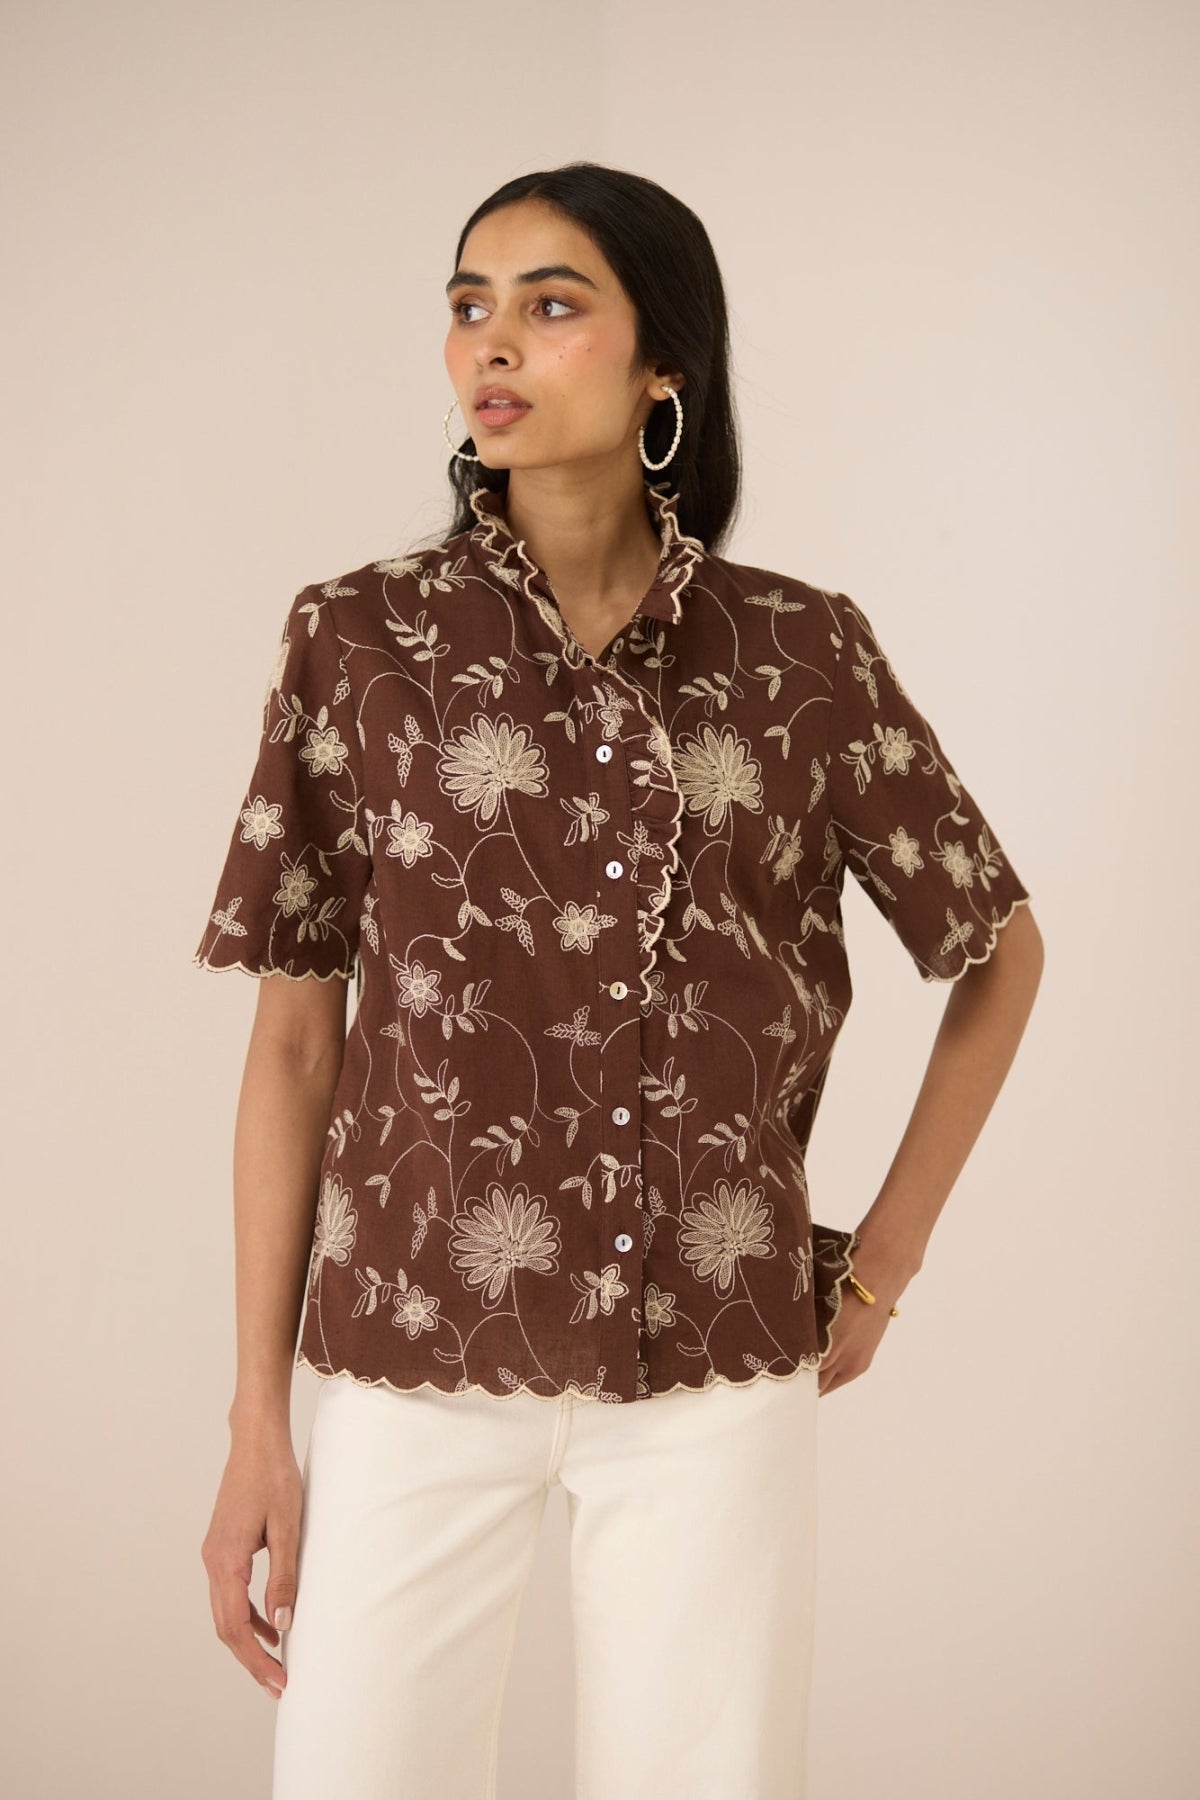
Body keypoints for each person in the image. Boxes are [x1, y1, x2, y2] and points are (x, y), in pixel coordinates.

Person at [196, 161, 1043, 1799]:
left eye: (551, 303)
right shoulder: (356, 645)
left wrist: (883, 1260)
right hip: (408, 1349)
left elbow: (996, 947)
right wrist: (254, 1422)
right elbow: (296, 1040)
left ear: (667, 366)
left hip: (715, 1361)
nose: (491, 344)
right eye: (468, 305)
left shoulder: (802, 654)